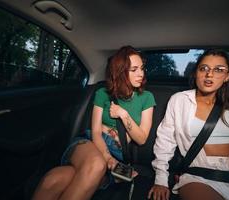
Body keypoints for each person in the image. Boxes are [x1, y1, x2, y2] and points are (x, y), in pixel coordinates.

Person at [148, 49, 229, 200]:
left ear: (227, 77)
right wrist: (161, 180)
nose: (209, 74)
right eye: (203, 68)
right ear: (196, 73)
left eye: (218, 70)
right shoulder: (180, 100)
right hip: (199, 176)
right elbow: (165, 141)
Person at [32, 45, 156, 200]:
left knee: (55, 179)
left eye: (142, 68)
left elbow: (141, 138)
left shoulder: (147, 97)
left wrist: (123, 115)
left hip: (118, 152)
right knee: (96, 164)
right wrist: (107, 158)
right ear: (120, 72)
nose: (141, 74)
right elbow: (96, 131)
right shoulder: (102, 94)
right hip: (90, 143)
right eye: (134, 70)